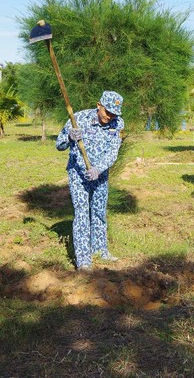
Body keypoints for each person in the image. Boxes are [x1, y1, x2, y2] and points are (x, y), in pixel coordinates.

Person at [56, 91, 125, 271]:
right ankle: (84, 260)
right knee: (81, 214)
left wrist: (98, 169)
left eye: (114, 114)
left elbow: (113, 152)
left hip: (100, 175)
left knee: (99, 212)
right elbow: (59, 145)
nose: (110, 117)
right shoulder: (78, 119)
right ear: (98, 105)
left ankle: (100, 249)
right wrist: (69, 136)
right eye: (107, 112)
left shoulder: (117, 124)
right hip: (78, 174)